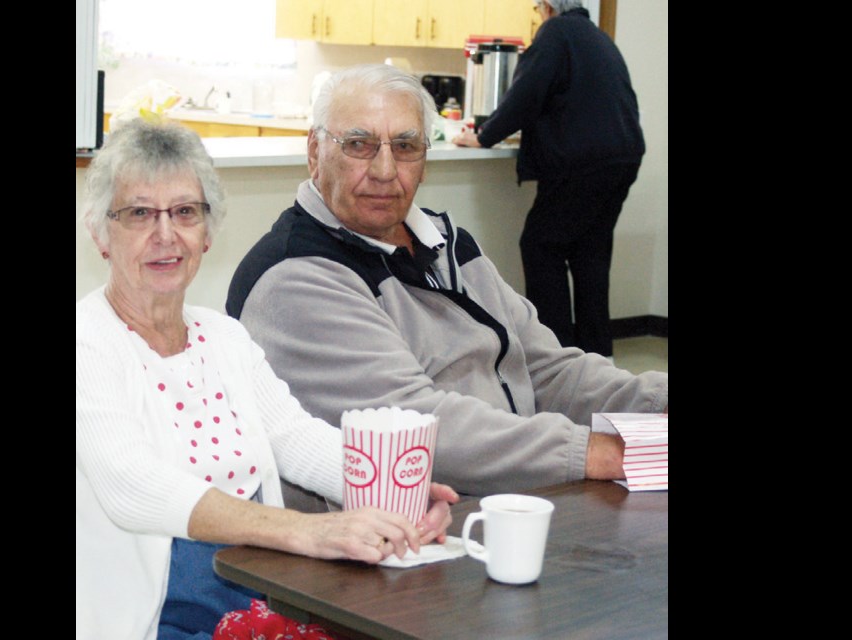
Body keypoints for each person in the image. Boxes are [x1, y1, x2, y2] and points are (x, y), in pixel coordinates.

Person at [76, 118, 457, 640]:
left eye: (186, 212)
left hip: (257, 596)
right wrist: (311, 532)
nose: (165, 235)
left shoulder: (224, 337)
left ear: (207, 232)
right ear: (100, 232)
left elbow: (295, 440)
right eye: (140, 213)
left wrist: (395, 490)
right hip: (153, 618)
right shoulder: (87, 341)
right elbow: (134, 485)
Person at [226, 63, 667, 509]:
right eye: (358, 145)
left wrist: (655, 403)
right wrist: (604, 452)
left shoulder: (446, 243)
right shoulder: (295, 278)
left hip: (512, 502)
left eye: (405, 146)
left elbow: (545, 369)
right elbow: (418, 427)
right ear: (315, 152)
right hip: (395, 540)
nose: (384, 169)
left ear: (424, 161)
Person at [453, 0, 646, 358]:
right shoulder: (598, 38)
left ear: (547, 6)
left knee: (541, 246)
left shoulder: (556, 33)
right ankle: (596, 356)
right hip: (622, 157)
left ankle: (555, 355)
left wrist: (483, 135)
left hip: (582, 162)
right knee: (590, 255)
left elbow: (526, 94)